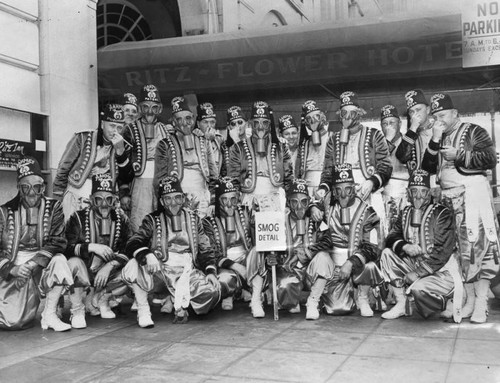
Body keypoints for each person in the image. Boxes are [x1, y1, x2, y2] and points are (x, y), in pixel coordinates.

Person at [422, 93, 499, 323]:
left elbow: (490, 159)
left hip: (472, 196)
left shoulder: (474, 130)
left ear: (455, 113)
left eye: (443, 115)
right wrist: (434, 141)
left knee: (478, 248)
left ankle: (481, 303)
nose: (440, 120)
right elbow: (427, 167)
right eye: (435, 116)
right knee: (459, 253)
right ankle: (469, 300)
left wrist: (460, 155)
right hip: (447, 200)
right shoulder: (438, 137)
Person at [122, 177, 220, 328]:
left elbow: (205, 249)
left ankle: (176, 299)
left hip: (186, 271)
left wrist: (210, 271)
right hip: (160, 270)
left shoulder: (194, 219)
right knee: (134, 265)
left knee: (212, 292)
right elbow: (132, 243)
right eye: (167, 199)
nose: (173, 203)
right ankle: (143, 310)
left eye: (177, 198)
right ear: (161, 202)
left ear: (183, 198)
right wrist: (147, 254)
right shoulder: (152, 219)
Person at [0, 157, 74, 331]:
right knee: (13, 322)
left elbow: (58, 241)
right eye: (26, 187)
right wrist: (13, 269)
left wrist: (33, 264)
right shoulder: (4, 212)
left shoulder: (54, 207)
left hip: (41, 263)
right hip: (14, 266)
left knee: (60, 260)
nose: (32, 192)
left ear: (44, 187)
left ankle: (49, 314)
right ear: (19, 188)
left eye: (37, 187)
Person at [381, 169, 462, 321]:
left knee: (418, 290)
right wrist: (404, 246)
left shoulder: (442, 213)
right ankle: (401, 303)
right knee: (387, 254)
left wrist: (417, 273)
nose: (418, 196)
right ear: (408, 193)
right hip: (417, 265)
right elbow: (391, 237)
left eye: (423, 191)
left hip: (443, 272)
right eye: (414, 191)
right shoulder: (405, 212)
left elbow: (442, 253)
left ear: (430, 192)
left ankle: (448, 299)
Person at [313, 91, 392, 226]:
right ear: (340, 115)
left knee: (370, 234)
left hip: (368, 192)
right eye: (344, 113)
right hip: (341, 196)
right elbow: (327, 172)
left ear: (360, 114)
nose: (347, 117)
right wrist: (323, 188)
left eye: (352, 112)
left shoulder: (375, 135)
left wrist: (372, 182)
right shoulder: (333, 139)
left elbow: (386, 166)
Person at [64, 174, 132, 327]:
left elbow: (129, 248)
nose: (104, 204)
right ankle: (77, 309)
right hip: (86, 270)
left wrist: (110, 266)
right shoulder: (78, 217)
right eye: (98, 199)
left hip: (107, 273)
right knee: (73, 262)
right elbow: (65, 248)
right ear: (91, 199)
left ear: (114, 200)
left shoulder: (122, 219)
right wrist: (91, 247)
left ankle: (102, 299)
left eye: (109, 199)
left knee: (134, 267)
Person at [322, 163, 384, 317]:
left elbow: (373, 247)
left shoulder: (368, 212)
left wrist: (351, 263)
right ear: (333, 192)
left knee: (370, 266)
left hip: (357, 266)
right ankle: (337, 293)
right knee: (337, 309)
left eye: (348, 189)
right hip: (335, 268)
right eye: (338, 190)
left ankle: (363, 296)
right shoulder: (328, 207)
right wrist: (312, 208)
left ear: (354, 188)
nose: (343, 195)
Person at [54, 103, 134, 221]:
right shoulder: (83, 137)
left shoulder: (124, 145)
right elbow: (63, 167)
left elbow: (127, 178)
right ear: (102, 124)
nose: (115, 132)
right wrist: (57, 197)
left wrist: (121, 153)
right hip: (76, 197)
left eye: (119, 128)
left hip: (105, 203)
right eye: (111, 126)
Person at [154, 96, 217, 218]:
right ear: (173, 122)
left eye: (188, 118)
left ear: (193, 120)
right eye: (179, 119)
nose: (184, 123)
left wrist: (213, 202)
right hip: (177, 199)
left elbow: (213, 176)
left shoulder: (203, 141)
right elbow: (159, 181)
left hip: (203, 197)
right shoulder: (164, 144)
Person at [227, 101, 294, 214]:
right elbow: (233, 182)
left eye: (265, 123)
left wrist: (289, 204)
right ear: (250, 124)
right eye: (256, 123)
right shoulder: (238, 148)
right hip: (249, 200)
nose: (260, 127)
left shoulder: (281, 147)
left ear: (270, 124)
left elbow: (289, 180)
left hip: (275, 199)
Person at [123, 84, 170, 231]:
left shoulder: (166, 129)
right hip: (140, 182)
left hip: (162, 182)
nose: (150, 112)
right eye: (145, 107)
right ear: (139, 108)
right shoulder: (130, 129)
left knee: (162, 223)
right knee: (139, 223)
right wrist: (123, 192)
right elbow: (122, 163)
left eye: (154, 107)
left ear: (160, 109)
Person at [203, 177, 253, 310]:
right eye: (225, 199)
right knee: (223, 280)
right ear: (218, 201)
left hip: (246, 258)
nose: (229, 204)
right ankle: (233, 292)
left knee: (260, 268)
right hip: (224, 262)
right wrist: (236, 266)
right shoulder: (209, 221)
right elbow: (212, 253)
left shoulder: (245, 213)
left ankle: (239, 290)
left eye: (233, 199)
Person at [396, 89, 437, 188]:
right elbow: (402, 157)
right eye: (411, 112)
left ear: (427, 110)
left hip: (438, 182)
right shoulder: (411, 134)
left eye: (418, 110)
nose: (415, 114)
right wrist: (413, 128)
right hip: (418, 186)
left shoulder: (438, 129)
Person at [380, 105, 409, 234]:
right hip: (385, 193)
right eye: (385, 123)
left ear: (400, 123)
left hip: (405, 193)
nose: (388, 126)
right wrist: (387, 141)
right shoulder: (378, 144)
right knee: (386, 232)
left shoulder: (408, 142)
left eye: (392, 122)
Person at [295, 100, 331, 198]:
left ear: (322, 117)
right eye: (309, 118)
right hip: (308, 190)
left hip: (328, 188)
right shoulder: (305, 144)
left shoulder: (332, 138)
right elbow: (298, 172)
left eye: (316, 116)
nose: (313, 121)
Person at [219, 106, 248, 177]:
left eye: (240, 122)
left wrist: (237, 141)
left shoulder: (252, 143)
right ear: (229, 127)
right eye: (233, 124)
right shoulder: (224, 147)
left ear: (246, 124)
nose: (237, 126)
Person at [196, 102, 225, 176]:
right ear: (198, 124)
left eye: (212, 122)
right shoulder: (194, 138)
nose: (209, 126)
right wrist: (206, 140)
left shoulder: (220, 139)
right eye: (205, 122)